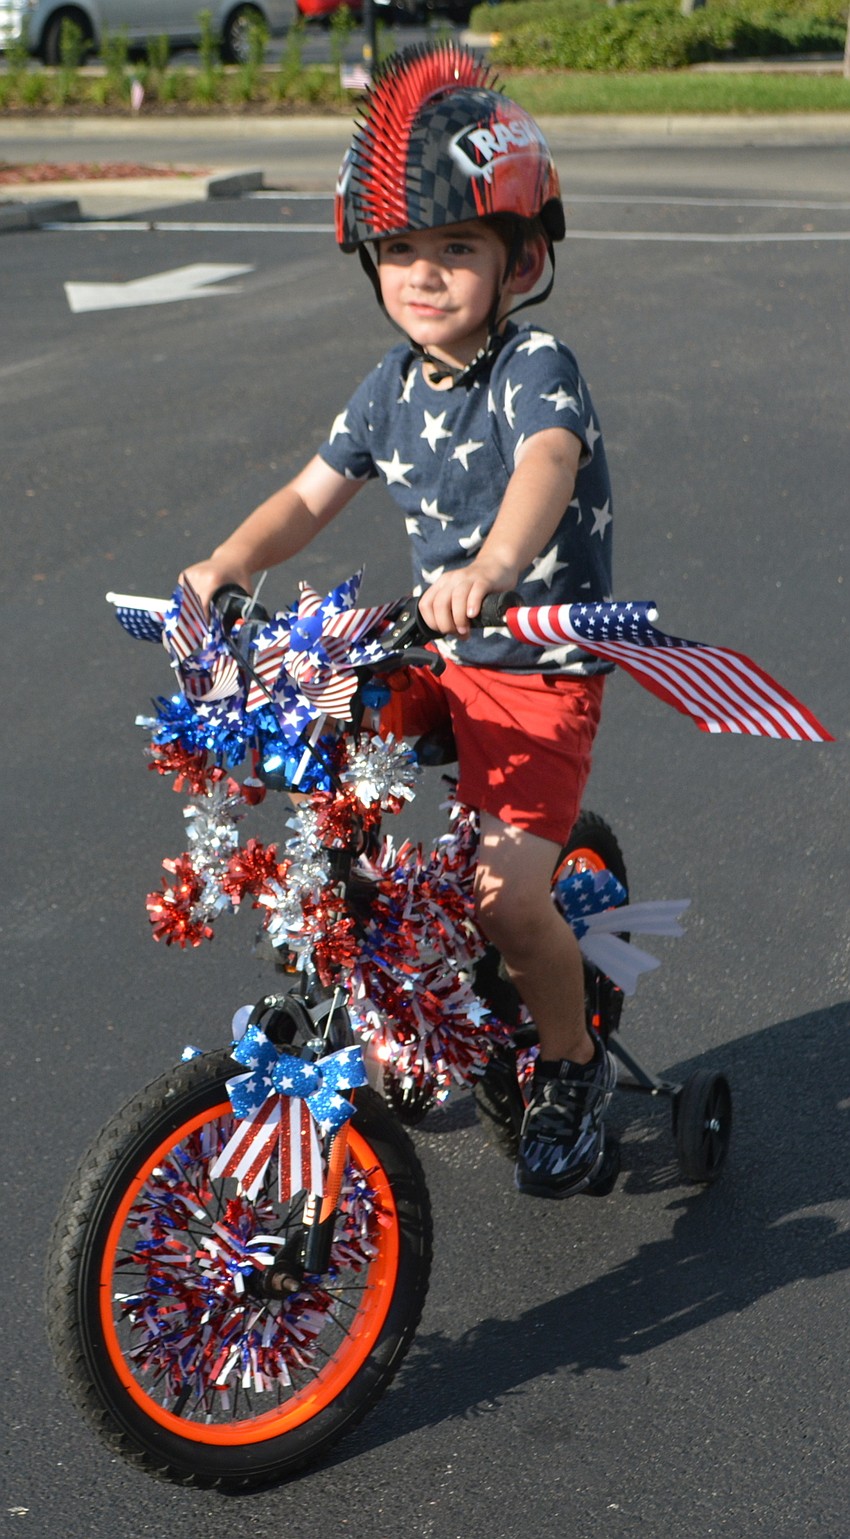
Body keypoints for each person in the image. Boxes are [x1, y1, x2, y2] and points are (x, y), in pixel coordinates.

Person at [182, 42, 616, 1200]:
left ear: (520, 260)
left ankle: (568, 1064)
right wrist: (228, 560)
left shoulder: (533, 368)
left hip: (533, 668)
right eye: (400, 252)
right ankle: (367, 944)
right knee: (310, 717)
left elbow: (546, 465)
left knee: (506, 899)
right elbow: (309, 495)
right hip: (435, 657)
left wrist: (496, 563)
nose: (423, 276)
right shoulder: (388, 385)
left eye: (456, 249)